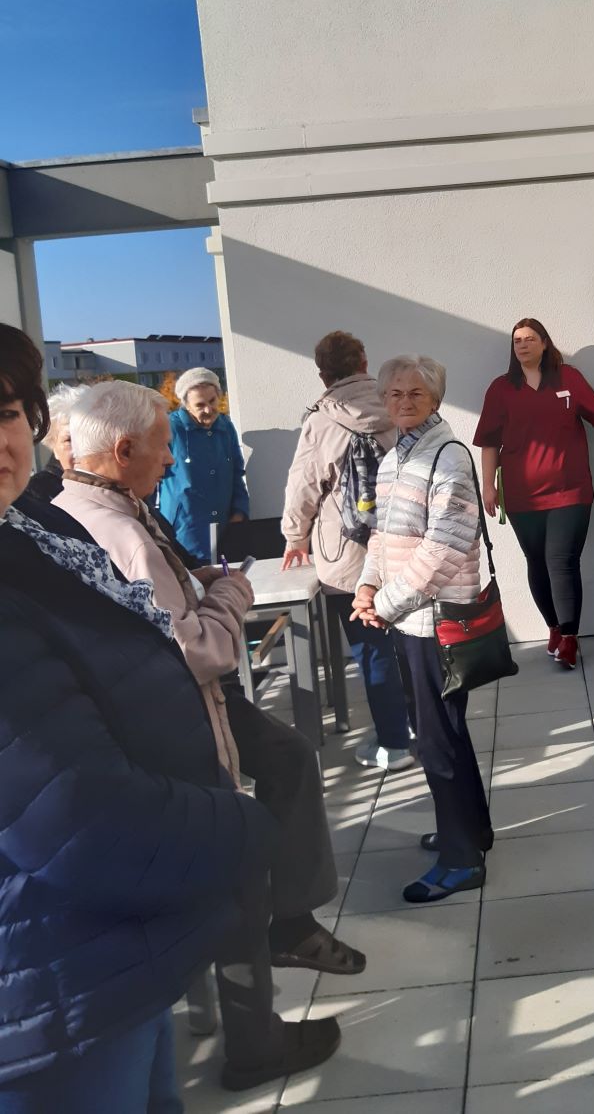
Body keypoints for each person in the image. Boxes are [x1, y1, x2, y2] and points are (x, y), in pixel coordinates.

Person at [0, 324, 275, 1112]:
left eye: (6, 410)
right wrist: (247, 831)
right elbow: (74, 814)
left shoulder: (36, 531)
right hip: (44, 988)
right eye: (160, 446)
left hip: (111, 945)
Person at [55, 380, 355, 1090]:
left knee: (288, 759)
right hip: (170, 715)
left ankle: (289, 923)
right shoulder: (115, 528)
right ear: (123, 449)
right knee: (239, 858)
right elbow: (200, 649)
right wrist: (231, 593)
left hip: (186, 705)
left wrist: (202, 584)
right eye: (162, 447)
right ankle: (254, 1040)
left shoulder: (116, 505)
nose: (170, 460)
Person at [354, 355, 493, 902]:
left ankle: (462, 860)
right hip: (407, 617)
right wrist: (367, 587)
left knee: (437, 737)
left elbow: (444, 547)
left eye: (415, 393)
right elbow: (382, 538)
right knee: (444, 731)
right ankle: (470, 829)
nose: (403, 401)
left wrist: (385, 602)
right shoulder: (397, 455)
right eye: (393, 393)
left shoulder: (449, 456)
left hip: (436, 621)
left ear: (435, 398)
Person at [474, 318, 594, 668]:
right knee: (537, 562)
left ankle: (570, 637)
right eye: (517, 341)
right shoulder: (501, 389)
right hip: (521, 496)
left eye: (530, 339)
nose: (523, 345)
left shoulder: (568, 378)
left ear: (544, 343)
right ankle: (554, 628)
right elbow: (488, 442)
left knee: (561, 560)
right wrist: (488, 485)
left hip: (570, 491)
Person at [281, 329, 414, 772]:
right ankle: (421, 726)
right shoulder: (398, 405)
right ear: (363, 363)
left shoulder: (322, 420)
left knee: (371, 645)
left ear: (323, 375)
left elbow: (303, 485)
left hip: (348, 552)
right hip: (403, 541)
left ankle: (394, 742)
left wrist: (295, 536)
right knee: (411, 638)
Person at [158, 366, 249, 562]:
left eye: (212, 401)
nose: (208, 409)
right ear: (186, 405)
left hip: (225, 525)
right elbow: (152, 473)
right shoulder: (170, 428)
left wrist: (240, 512)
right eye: (200, 405)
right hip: (185, 528)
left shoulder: (226, 426)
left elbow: (236, 472)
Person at [19, 381, 84, 505]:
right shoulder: (36, 495)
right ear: (53, 445)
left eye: (88, 438)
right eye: (69, 440)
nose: (81, 449)